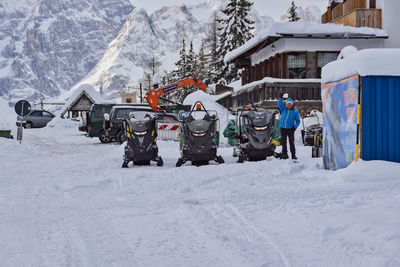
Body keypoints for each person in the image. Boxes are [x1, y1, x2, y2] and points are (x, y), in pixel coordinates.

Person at [278, 93, 300, 160]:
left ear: (292, 104)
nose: (288, 105)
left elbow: (298, 121)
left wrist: (294, 127)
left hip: (290, 129)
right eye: (287, 104)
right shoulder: (283, 109)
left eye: (290, 104)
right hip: (283, 128)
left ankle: (293, 155)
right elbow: (279, 104)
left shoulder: (295, 112)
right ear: (286, 104)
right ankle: (285, 154)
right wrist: (280, 98)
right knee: (283, 142)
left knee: (291, 142)